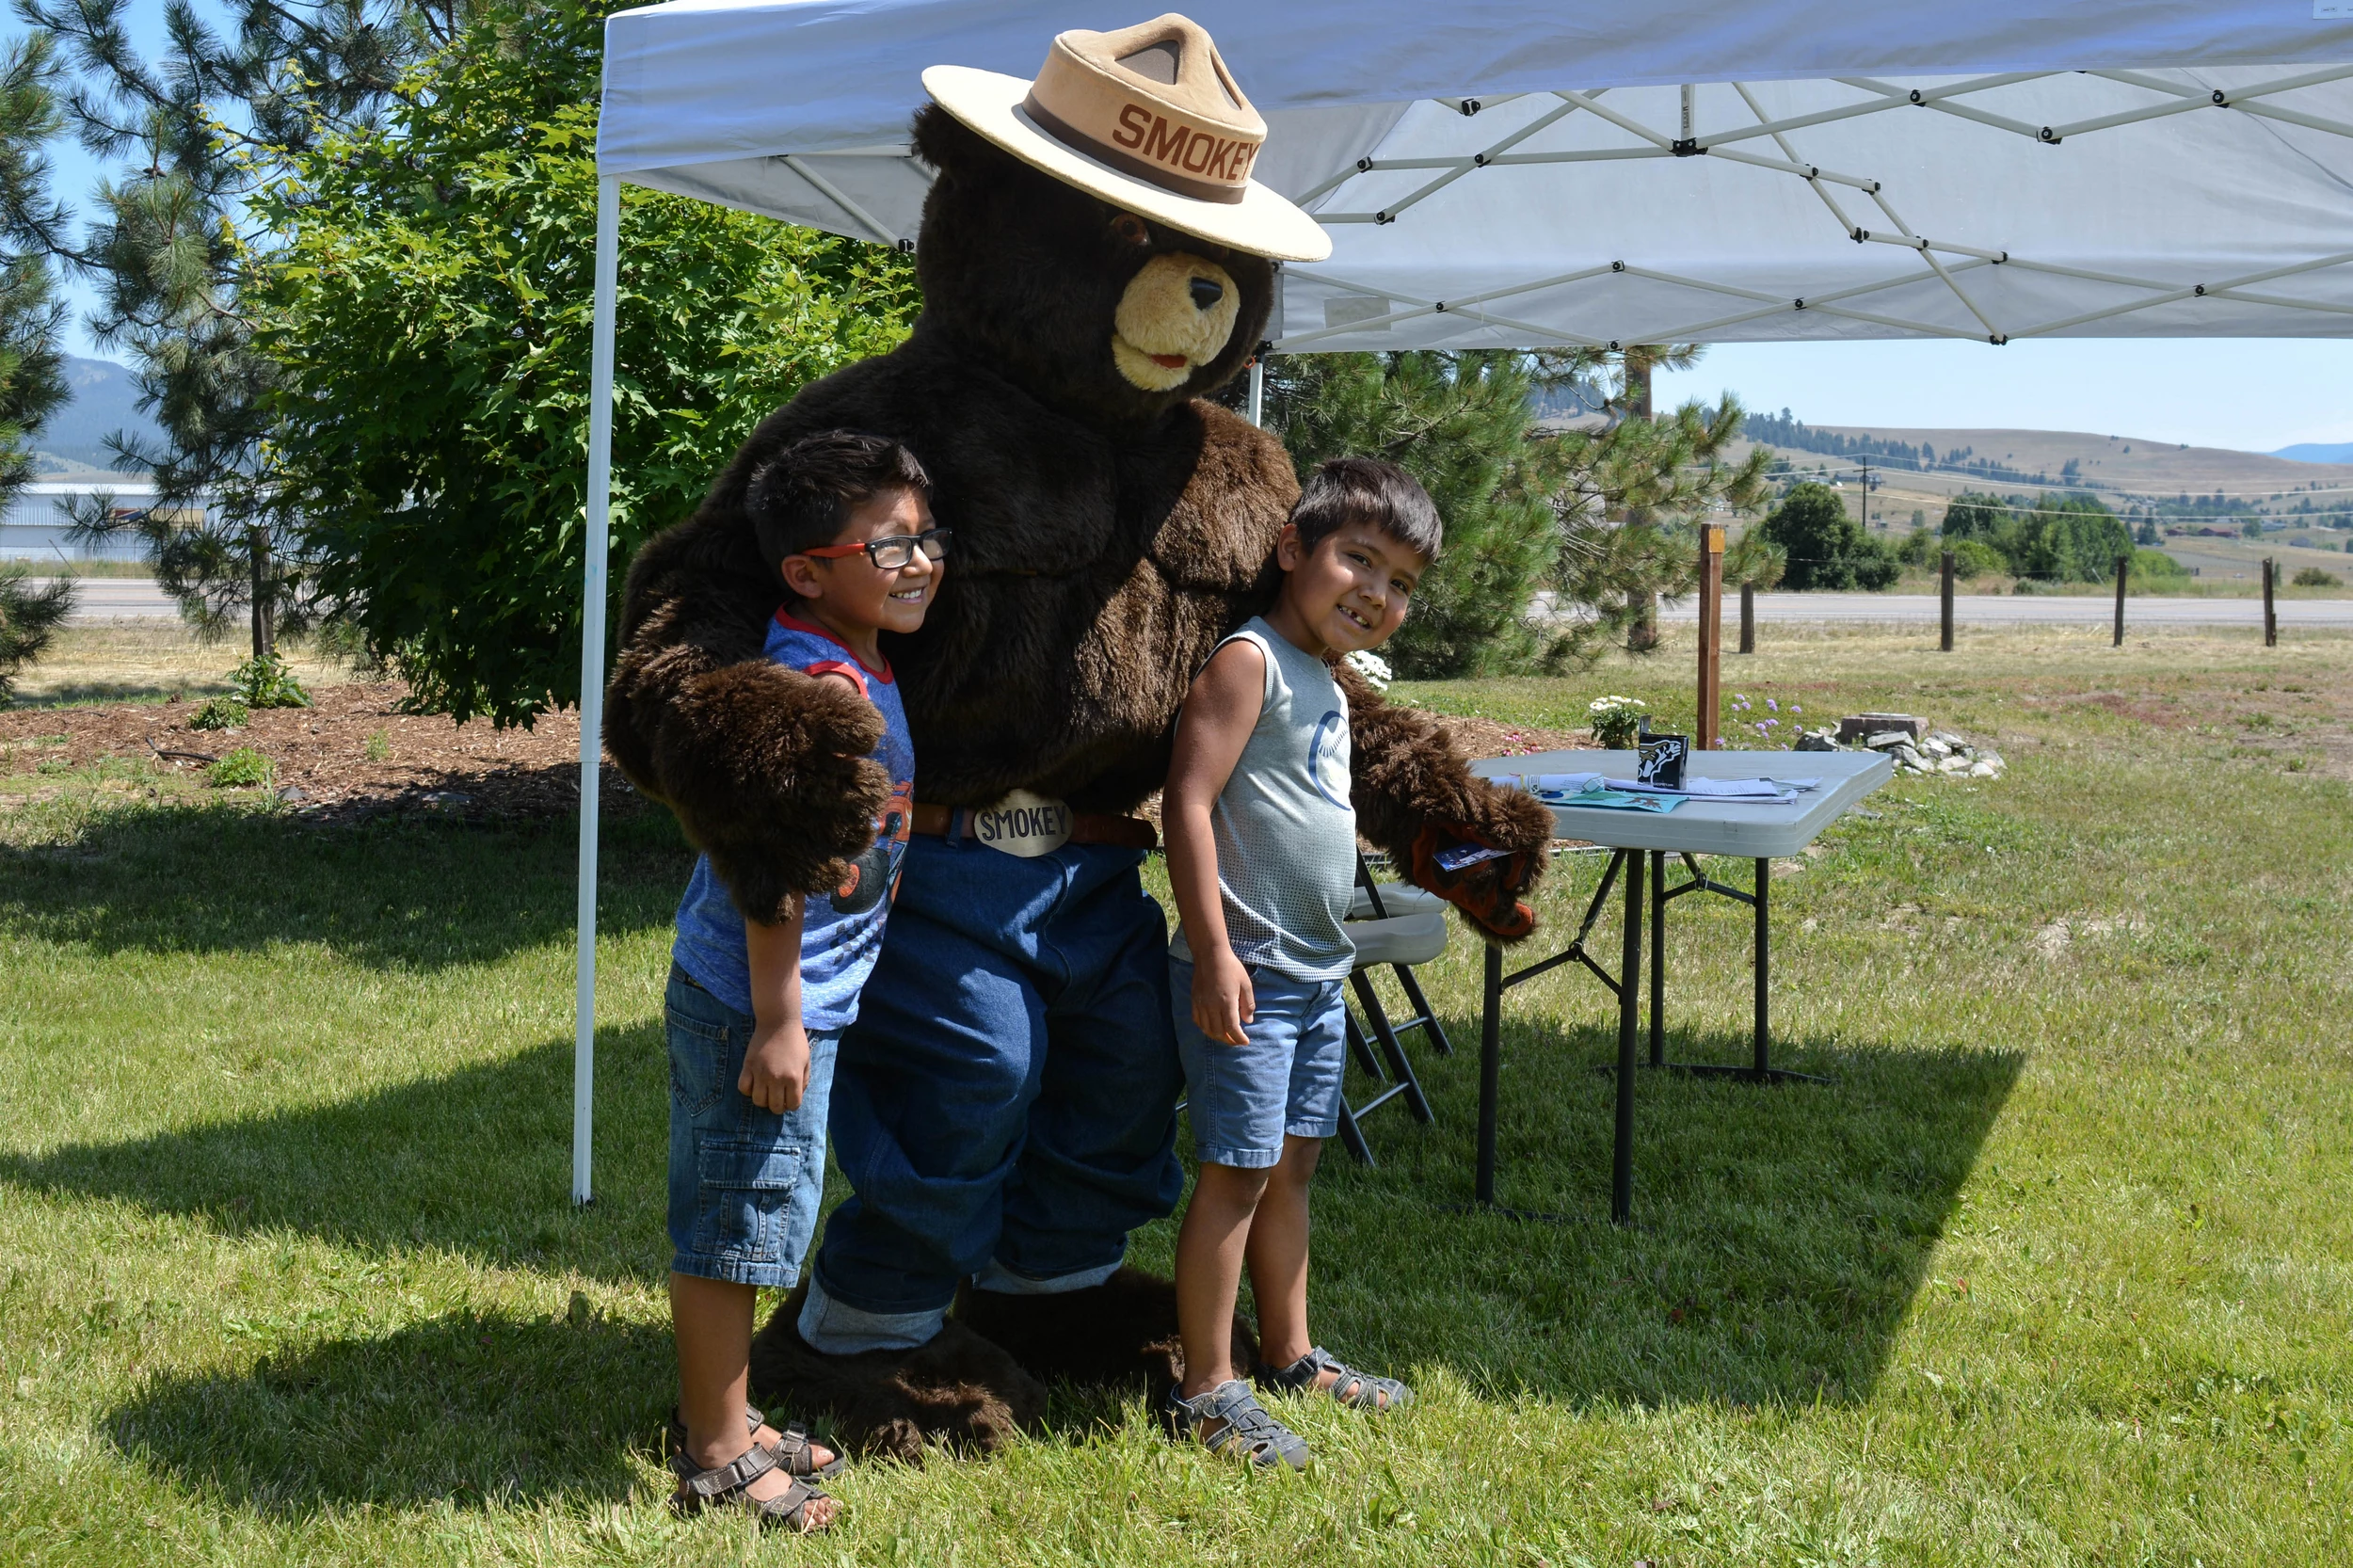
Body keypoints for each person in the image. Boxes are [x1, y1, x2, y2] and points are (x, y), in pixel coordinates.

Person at [663, 430, 945, 1529]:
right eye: (891, 545)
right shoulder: (811, 684)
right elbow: (768, 863)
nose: (920, 562)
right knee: (733, 1223)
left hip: (797, 999)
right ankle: (717, 1456)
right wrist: (779, 1020)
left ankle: (724, 1415)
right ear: (805, 570)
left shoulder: (859, 657)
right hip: (756, 999)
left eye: (927, 539)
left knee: (759, 1210)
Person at [1159, 456, 1441, 1468]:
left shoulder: (1324, 677)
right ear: (1293, 550)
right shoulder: (1251, 662)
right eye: (1357, 561)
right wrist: (1215, 954)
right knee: (1235, 1173)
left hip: (1317, 977)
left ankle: (1289, 1354)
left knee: (1293, 1168)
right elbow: (1185, 804)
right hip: (1251, 973)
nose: (1376, 591)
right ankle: (1206, 1385)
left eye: (1401, 582)